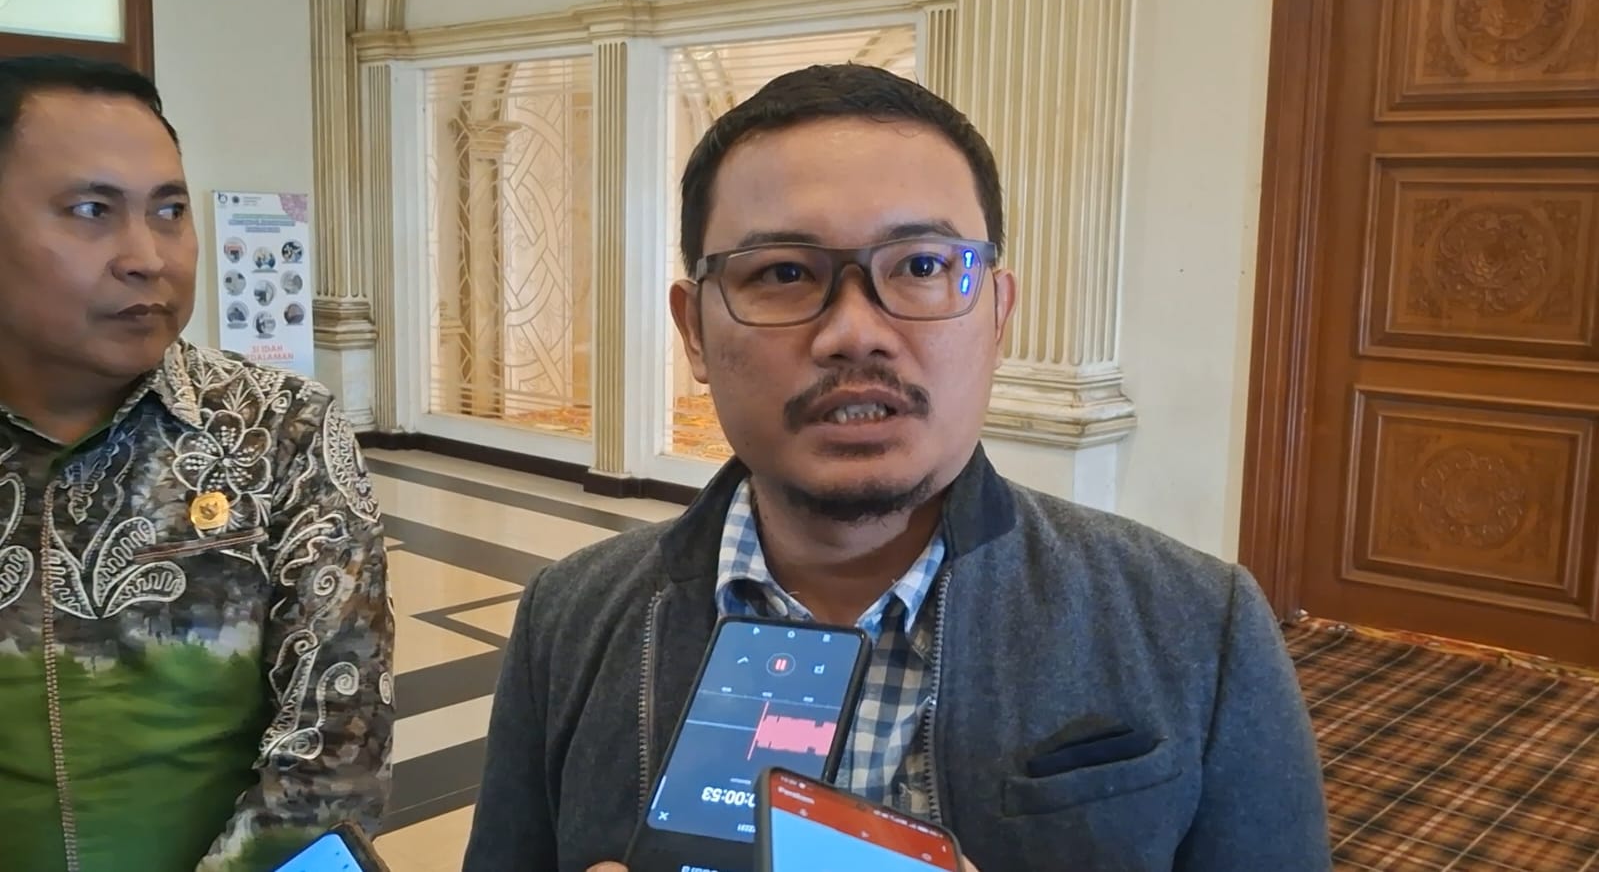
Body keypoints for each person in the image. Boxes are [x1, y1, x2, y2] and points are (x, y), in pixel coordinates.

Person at [464, 64, 1330, 871]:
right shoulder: (569, 616)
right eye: (782, 272)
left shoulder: (1197, 624)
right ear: (693, 329)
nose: (854, 332)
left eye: (921, 266)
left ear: (997, 314)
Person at [0, 55, 394, 871]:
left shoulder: (282, 431)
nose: (147, 255)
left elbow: (334, 760)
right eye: (90, 210)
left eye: (169, 210)